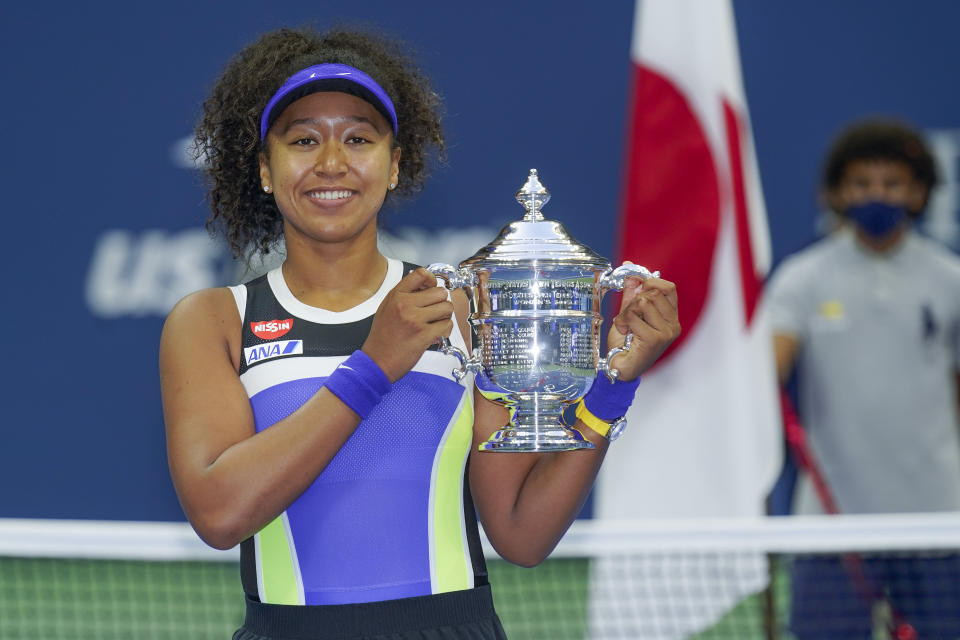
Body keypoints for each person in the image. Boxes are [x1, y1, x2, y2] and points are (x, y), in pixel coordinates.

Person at [159, 27, 680, 640]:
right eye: (303, 140)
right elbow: (220, 514)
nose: (332, 162)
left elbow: (522, 532)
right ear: (265, 170)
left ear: (395, 163)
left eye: (359, 138)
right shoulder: (214, 320)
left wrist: (613, 383)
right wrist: (374, 366)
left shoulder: (459, 309)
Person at [767, 119, 960, 638]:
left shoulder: (949, 280)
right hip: (833, 524)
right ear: (836, 192)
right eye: (862, 183)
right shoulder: (801, 279)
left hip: (937, 519)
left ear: (919, 191)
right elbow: (767, 370)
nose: (877, 194)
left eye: (892, 183)